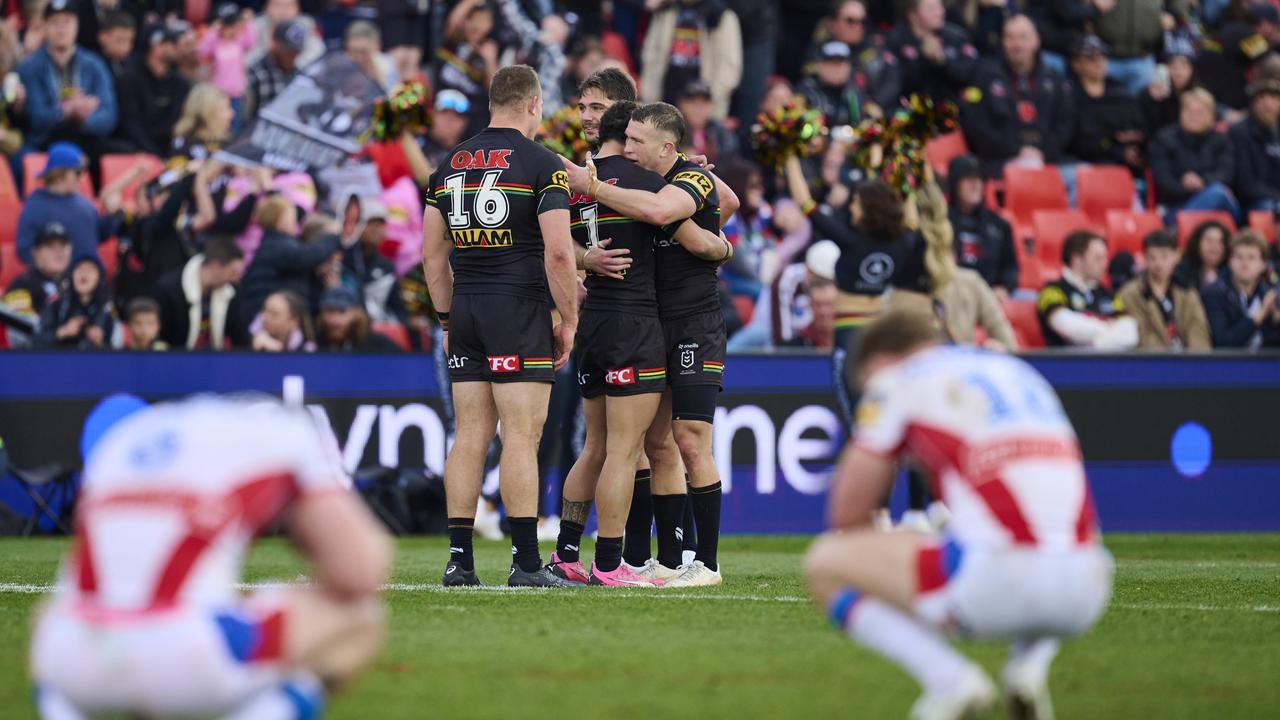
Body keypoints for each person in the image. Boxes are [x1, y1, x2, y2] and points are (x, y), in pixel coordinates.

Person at [804, 309, 1112, 720]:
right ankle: (1027, 670)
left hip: (995, 581)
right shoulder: (1015, 371)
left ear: (879, 362)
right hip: (1089, 585)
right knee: (1033, 530)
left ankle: (951, 681)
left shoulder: (898, 381)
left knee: (825, 562)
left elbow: (848, 514)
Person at [30, 394, 390, 719]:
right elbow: (360, 571)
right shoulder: (288, 434)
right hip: (186, 650)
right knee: (358, 617)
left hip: (68, 658)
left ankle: (59, 706)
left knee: (66, 611)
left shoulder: (123, 443)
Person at [549, 101, 730, 587]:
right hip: (646, 324)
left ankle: (700, 562)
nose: (629, 148)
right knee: (647, 444)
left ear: (665, 146)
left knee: (683, 440)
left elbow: (706, 213)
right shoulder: (639, 183)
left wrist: (718, 244)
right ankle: (647, 560)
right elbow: (697, 234)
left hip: (691, 323)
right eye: (625, 139)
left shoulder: (682, 181)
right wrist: (717, 245)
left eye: (638, 141)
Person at [421, 65, 580, 588]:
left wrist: (446, 317)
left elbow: (430, 256)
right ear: (534, 104)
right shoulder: (541, 164)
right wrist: (570, 320)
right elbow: (559, 254)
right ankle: (526, 564)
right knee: (520, 436)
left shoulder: (448, 165)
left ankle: (460, 560)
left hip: (466, 308)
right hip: (518, 310)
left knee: (469, 436)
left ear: (492, 103)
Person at [959, 14, 1075, 178]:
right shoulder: (984, 77)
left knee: (1079, 177)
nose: (1016, 44)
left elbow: (1065, 125)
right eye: (1009, 37)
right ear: (1003, 42)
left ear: (1036, 41)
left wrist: (1043, 154)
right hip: (999, 161)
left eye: (1023, 37)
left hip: (1049, 161)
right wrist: (1016, 151)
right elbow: (976, 125)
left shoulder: (1055, 79)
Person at [17, 0, 117, 154]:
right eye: (55, 22)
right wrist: (66, 111)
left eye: (67, 22)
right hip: (45, 143)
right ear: (45, 27)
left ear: (77, 25)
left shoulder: (94, 64)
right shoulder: (29, 67)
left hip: (87, 139)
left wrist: (82, 119)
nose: (61, 29)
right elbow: (36, 118)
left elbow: (109, 115)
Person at [238, 197, 343, 325]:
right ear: (279, 220)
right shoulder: (277, 244)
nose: (296, 221)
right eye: (290, 216)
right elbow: (306, 257)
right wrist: (332, 236)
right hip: (264, 316)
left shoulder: (275, 242)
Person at [15, 143, 118, 266]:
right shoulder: (35, 207)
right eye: (78, 173)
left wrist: (112, 214)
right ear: (59, 175)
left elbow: (98, 235)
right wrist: (51, 272)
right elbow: (24, 249)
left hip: (89, 280)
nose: (82, 178)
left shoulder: (85, 203)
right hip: (57, 282)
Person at [1149, 88, 1240, 224]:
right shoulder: (1164, 139)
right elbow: (1162, 179)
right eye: (1188, 111)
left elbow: (1226, 173)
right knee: (1217, 193)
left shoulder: (1222, 140)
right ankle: (1182, 225)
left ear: (1211, 116)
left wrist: (1201, 182)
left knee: (1218, 193)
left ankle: (1180, 227)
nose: (1193, 116)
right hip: (1176, 205)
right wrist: (1186, 186)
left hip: (1217, 206)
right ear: (1180, 113)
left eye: (1199, 112)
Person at [640, 0, 743, 119]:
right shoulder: (666, 11)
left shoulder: (722, 16)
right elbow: (650, 56)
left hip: (703, 109)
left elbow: (729, 67)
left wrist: (707, 101)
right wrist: (651, 98)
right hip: (664, 103)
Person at [1036, 231, 1139, 348]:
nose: (1105, 264)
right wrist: (1108, 328)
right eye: (1098, 258)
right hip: (1065, 364)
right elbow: (1067, 327)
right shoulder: (1051, 291)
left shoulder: (1108, 294)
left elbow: (1131, 332)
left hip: (1106, 364)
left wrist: (1096, 343)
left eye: (1105, 258)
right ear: (1076, 259)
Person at [1115, 230, 1212, 350]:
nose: (1158, 263)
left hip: (1187, 363)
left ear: (1176, 256)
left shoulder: (1187, 291)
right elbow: (1143, 336)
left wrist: (1197, 362)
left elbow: (1198, 330)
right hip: (1152, 363)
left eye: (1164, 256)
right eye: (1152, 257)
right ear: (1144, 258)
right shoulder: (1129, 294)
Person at [151, 234, 250, 350]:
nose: (236, 279)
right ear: (215, 265)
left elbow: (240, 336)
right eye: (233, 272)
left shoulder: (232, 292)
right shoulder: (168, 290)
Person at [1066, 35, 1147, 174]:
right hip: (1083, 165)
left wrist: (1136, 145)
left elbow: (1138, 126)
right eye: (1091, 58)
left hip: (1123, 164)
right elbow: (1080, 140)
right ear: (1076, 64)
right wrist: (1114, 145)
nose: (1099, 62)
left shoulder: (1121, 92)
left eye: (1103, 57)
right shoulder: (1068, 95)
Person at [947, 155, 1018, 297]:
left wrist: (1004, 287)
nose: (975, 185)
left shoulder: (999, 224)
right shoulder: (940, 221)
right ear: (955, 184)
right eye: (968, 179)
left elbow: (1010, 267)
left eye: (979, 179)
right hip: (952, 290)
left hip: (989, 293)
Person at [113, 24, 189, 157]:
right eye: (172, 42)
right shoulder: (129, 80)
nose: (177, 46)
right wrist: (155, 155)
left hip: (172, 153)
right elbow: (131, 126)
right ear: (156, 46)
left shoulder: (180, 83)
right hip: (140, 154)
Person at [887, 0, 980, 105]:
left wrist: (942, 60)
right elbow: (895, 83)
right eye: (932, 9)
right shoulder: (896, 40)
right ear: (913, 15)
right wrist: (923, 57)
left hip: (953, 110)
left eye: (940, 7)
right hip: (909, 110)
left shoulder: (957, 37)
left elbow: (970, 75)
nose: (940, 12)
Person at [1200, 229, 1280, 348]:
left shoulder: (1269, 295)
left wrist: (1276, 322)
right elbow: (1223, 343)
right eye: (1239, 257)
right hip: (1227, 365)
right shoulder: (1213, 294)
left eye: (1251, 258)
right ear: (1230, 262)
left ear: (1263, 264)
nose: (1245, 263)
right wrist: (1260, 315)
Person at [342, 198, 406, 326]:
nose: (377, 229)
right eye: (371, 223)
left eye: (381, 225)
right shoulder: (343, 258)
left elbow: (396, 306)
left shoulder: (386, 266)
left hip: (378, 326)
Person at [3, 221, 71, 335]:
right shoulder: (22, 285)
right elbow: (19, 330)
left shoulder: (78, 283)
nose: (59, 252)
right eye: (50, 246)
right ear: (36, 252)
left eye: (62, 245)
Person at [37, 254, 113, 349]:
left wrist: (100, 342)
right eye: (79, 269)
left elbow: (119, 353)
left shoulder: (106, 309)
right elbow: (36, 341)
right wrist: (62, 332)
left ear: (99, 277)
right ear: (71, 275)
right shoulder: (56, 304)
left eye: (90, 270)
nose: (84, 273)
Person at [1229, 77, 1280, 212]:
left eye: (1274, 98)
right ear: (1253, 103)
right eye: (1261, 98)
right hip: (1252, 204)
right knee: (1270, 207)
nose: (1267, 104)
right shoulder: (1240, 133)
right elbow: (1245, 186)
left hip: (1275, 198)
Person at [243, 18, 305, 124]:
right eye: (287, 50)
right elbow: (245, 119)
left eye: (296, 51)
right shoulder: (255, 74)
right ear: (275, 43)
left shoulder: (300, 77)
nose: (292, 56)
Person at [799, 41, 868, 131]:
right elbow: (802, 128)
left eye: (841, 63)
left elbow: (859, 124)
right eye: (832, 63)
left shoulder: (853, 92)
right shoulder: (806, 91)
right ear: (819, 65)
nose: (837, 69)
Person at [314, 285, 402, 352]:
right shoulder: (314, 344)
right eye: (329, 311)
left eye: (342, 311)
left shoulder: (379, 346)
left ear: (356, 313)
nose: (334, 319)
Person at [677, 79, 739, 164]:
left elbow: (731, 157)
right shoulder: (674, 130)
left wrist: (713, 156)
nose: (699, 108)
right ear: (682, 105)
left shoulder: (720, 131)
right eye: (694, 103)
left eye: (704, 103)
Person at [170, 82, 235, 162]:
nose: (231, 114)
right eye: (225, 109)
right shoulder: (182, 145)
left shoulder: (228, 142)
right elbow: (175, 172)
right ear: (208, 113)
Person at [250, 289, 314, 352]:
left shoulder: (308, 351)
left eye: (274, 314)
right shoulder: (252, 344)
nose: (265, 318)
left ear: (293, 322)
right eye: (264, 310)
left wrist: (280, 351)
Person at [1175, 220, 1231, 288]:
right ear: (1197, 243)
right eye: (1209, 241)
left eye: (1220, 242)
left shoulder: (1231, 271)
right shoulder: (1182, 269)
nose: (1214, 247)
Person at [95, 10, 135, 82]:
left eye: (130, 41)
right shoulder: (93, 64)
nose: (127, 47)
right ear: (102, 37)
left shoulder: (131, 64)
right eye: (120, 40)